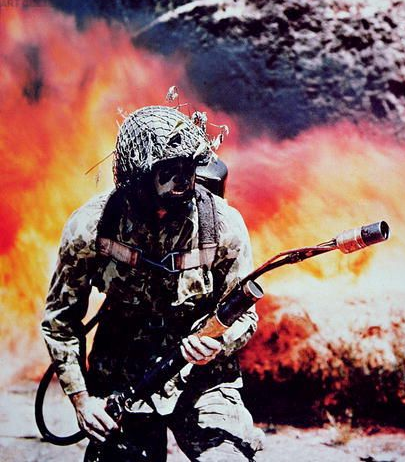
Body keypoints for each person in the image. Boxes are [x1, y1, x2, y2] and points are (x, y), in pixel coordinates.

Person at [42, 105, 263, 462]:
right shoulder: (92, 227)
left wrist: (216, 343)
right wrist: (83, 400)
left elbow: (245, 315)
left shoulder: (223, 225)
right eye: (169, 171)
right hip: (122, 378)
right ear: (136, 177)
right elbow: (59, 321)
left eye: (189, 168)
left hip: (202, 377)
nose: (183, 182)